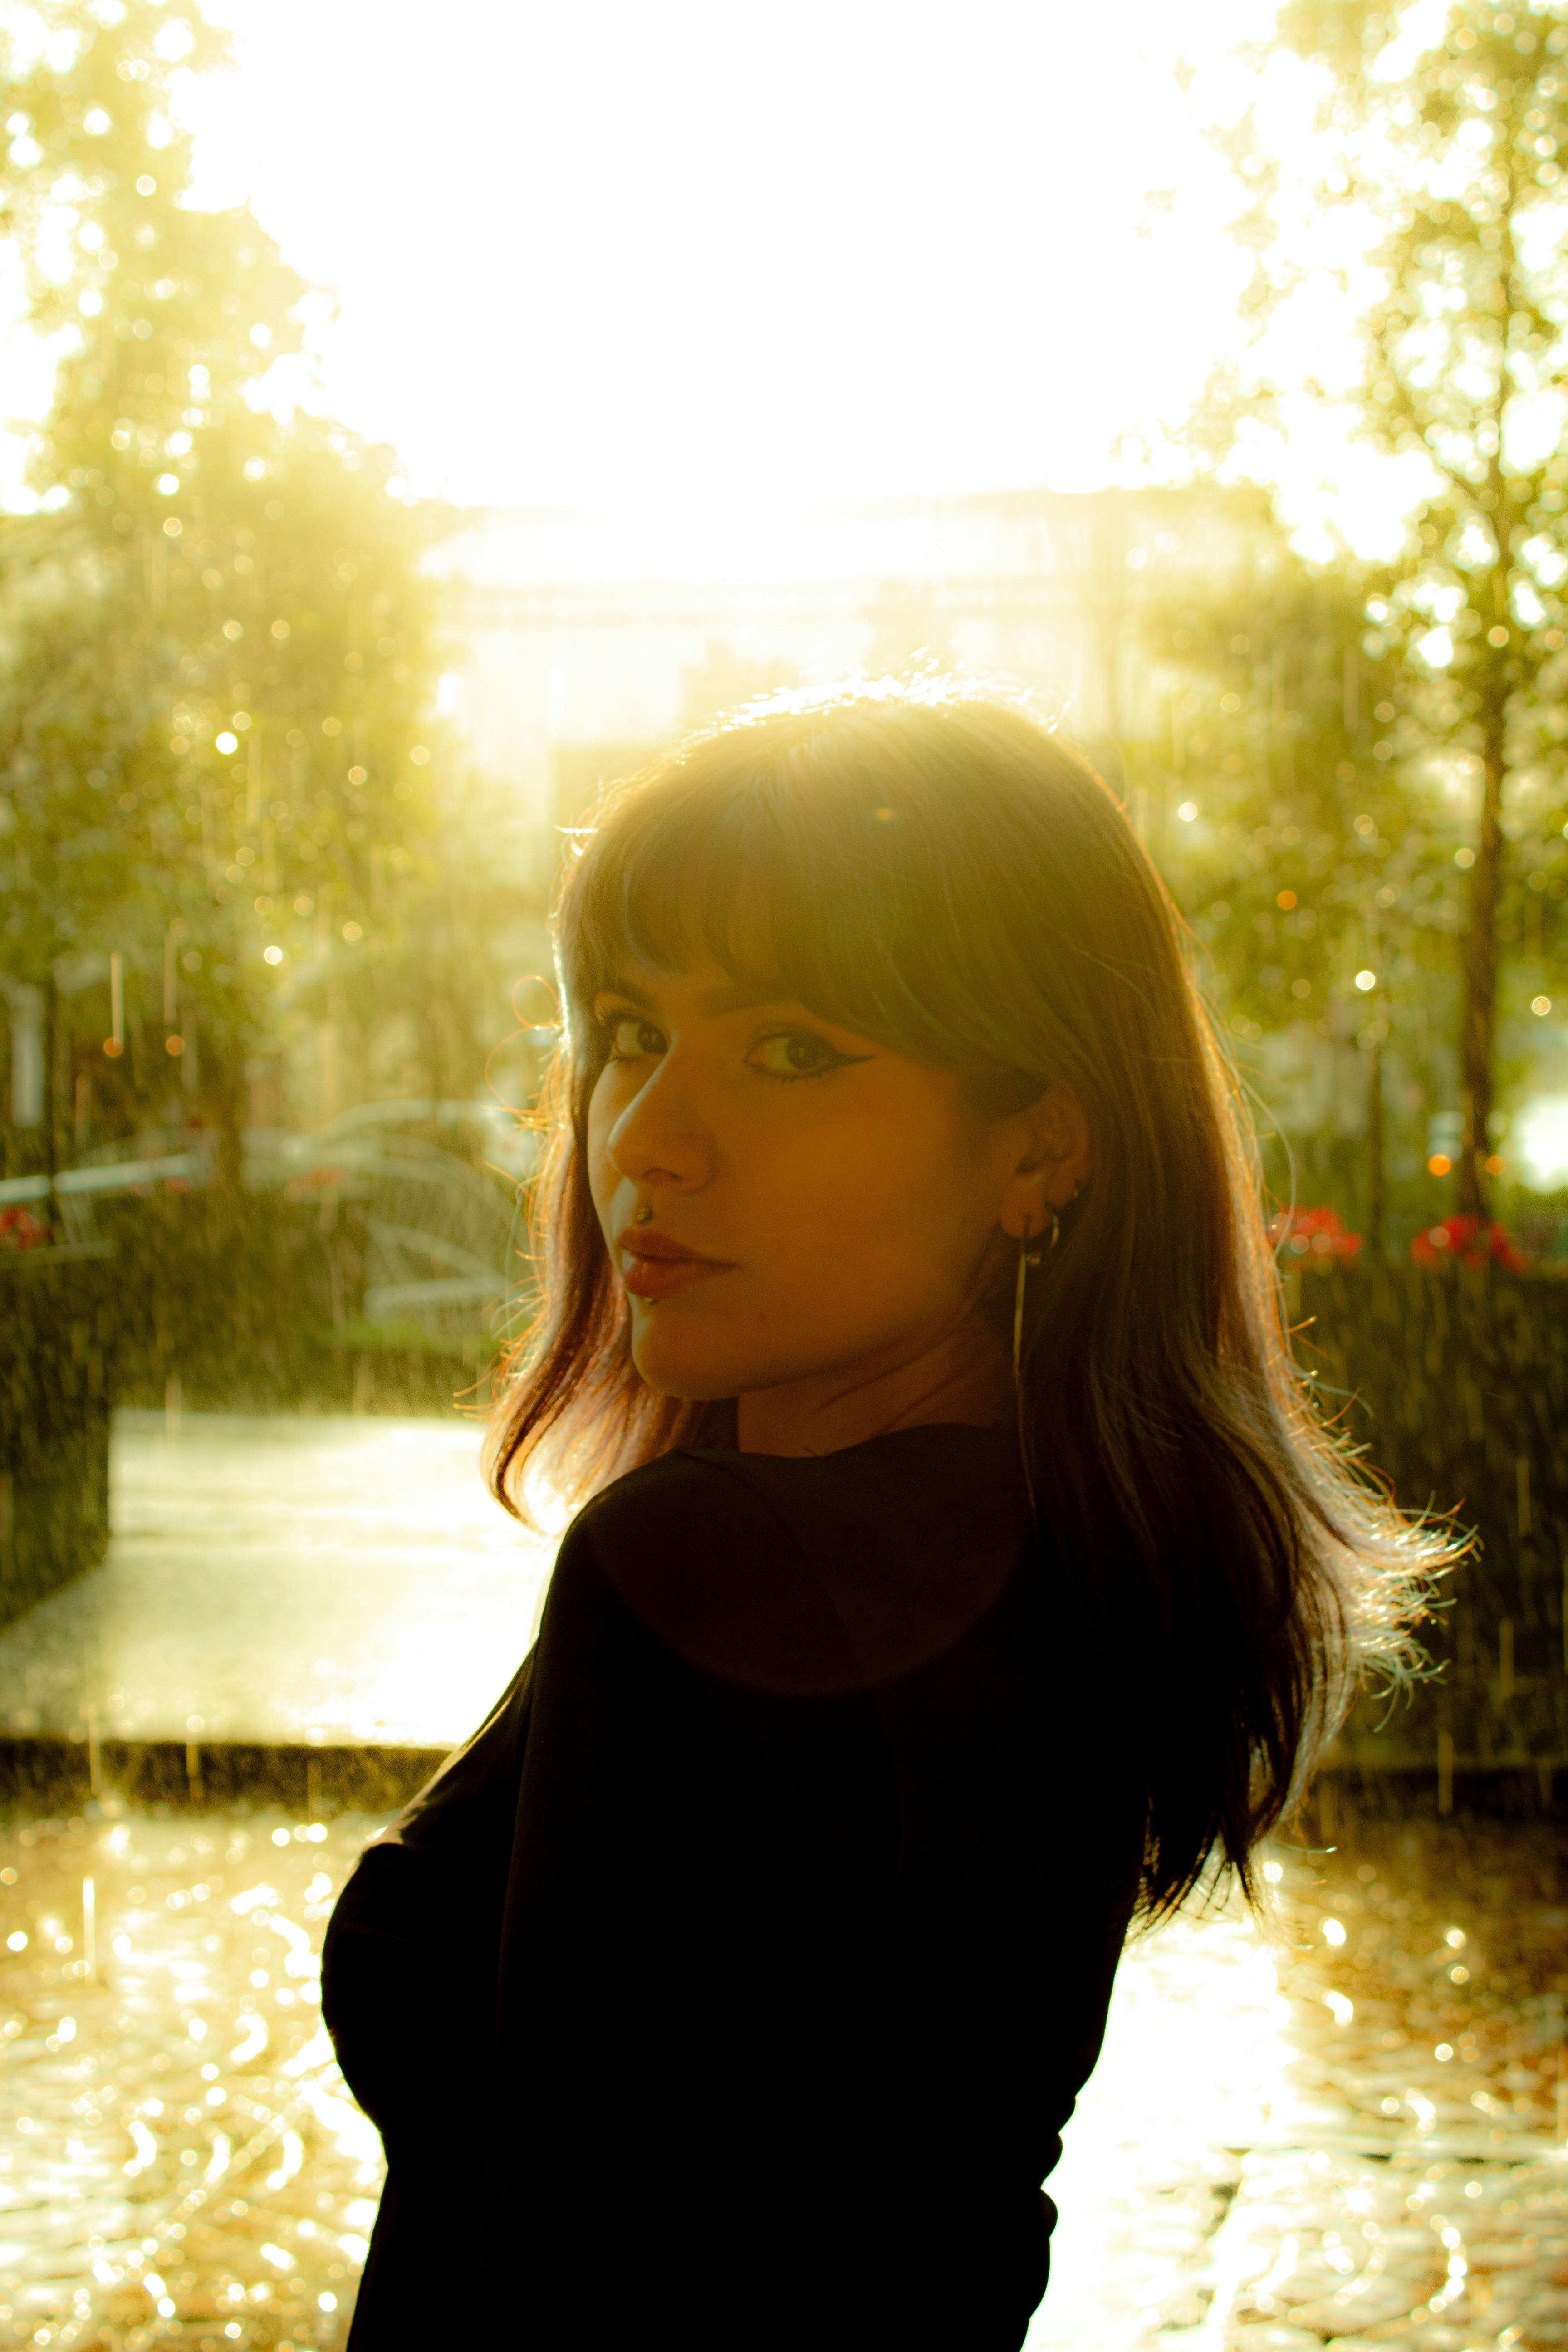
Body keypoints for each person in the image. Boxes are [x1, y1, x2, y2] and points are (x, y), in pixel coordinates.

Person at [322, 676, 1439, 2349]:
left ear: (1040, 1147)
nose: (648, 1140)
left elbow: (557, 2283)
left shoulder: (710, 1569)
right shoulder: (1089, 1563)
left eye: (792, 1047)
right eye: (630, 1031)